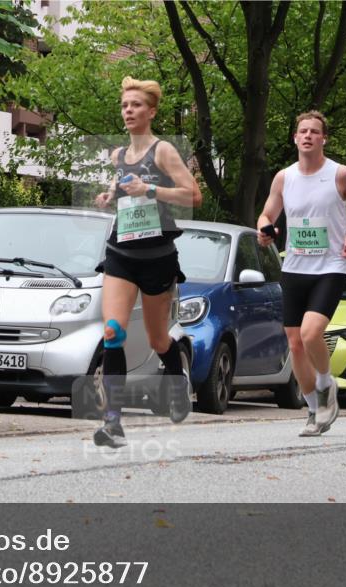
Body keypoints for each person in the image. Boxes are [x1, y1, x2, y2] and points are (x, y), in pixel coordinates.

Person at [91, 76, 203, 448]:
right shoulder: (117, 155)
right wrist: (108, 195)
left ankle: (176, 375)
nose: (128, 111)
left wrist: (150, 188)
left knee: (157, 338)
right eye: (125, 106)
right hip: (121, 253)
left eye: (136, 105)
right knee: (113, 332)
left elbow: (194, 195)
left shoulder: (164, 151)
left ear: (151, 111)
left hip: (157, 256)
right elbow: (121, 187)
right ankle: (113, 423)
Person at [256, 110, 346, 436]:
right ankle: (314, 410)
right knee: (295, 344)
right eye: (303, 131)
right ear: (295, 138)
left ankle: (326, 385)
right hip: (295, 266)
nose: (308, 135)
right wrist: (265, 228)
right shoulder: (284, 178)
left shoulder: (339, 175)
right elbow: (267, 212)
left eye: (314, 131)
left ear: (323, 138)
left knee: (311, 334)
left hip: (331, 266)